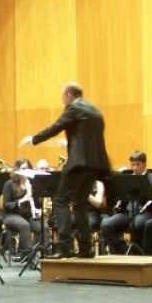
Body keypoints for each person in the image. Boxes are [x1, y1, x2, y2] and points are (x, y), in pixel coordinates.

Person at [20, 82, 110, 258]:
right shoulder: (95, 111)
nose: (63, 101)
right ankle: (85, 248)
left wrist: (34, 139)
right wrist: (71, 143)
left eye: (63, 97)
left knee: (61, 201)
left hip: (78, 163)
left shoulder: (74, 108)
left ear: (69, 95)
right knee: (80, 203)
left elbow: (56, 127)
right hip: (95, 163)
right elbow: (88, 138)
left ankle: (64, 247)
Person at [99, 150, 152, 255]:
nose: (135, 168)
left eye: (138, 164)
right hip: (128, 212)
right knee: (106, 225)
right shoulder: (127, 178)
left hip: (145, 212)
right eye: (132, 164)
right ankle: (119, 253)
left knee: (137, 224)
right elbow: (120, 196)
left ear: (144, 164)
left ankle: (138, 254)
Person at [0, 169, 44, 263]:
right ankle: (26, 254)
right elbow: (6, 204)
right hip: (11, 215)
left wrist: (37, 199)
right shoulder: (9, 184)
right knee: (24, 225)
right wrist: (20, 201)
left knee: (44, 227)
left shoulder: (31, 184)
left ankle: (46, 255)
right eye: (23, 169)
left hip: (27, 215)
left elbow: (37, 203)